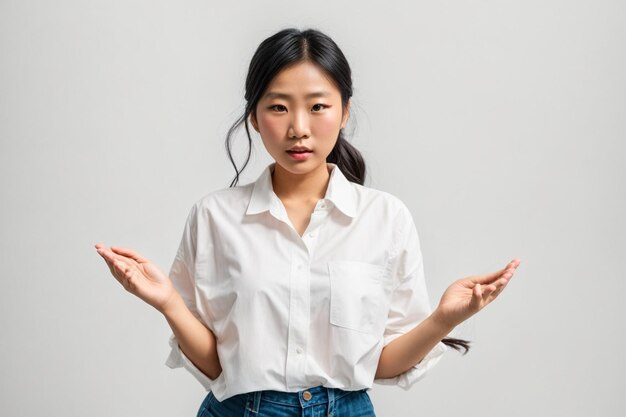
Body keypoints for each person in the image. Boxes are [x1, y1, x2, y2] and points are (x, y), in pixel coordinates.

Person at [95, 27, 520, 417]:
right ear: (254, 118)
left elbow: (383, 363)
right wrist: (167, 302)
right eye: (278, 107)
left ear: (345, 111)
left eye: (318, 106)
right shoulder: (214, 217)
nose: (299, 128)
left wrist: (444, 319)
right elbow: (217, 365)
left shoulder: (385, 218)